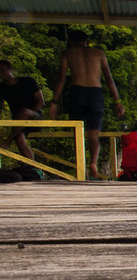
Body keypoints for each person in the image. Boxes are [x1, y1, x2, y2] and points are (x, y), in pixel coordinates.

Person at [49, 30, 125, 179]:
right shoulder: (99, 53)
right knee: (93, 135)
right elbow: (109, 79)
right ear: (86, 41)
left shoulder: (67, 54)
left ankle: (82, 167)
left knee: (78, 133)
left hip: (77, 92)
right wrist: (117, 101)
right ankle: (93, 162)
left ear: (71, 41)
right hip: (95, 93)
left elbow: (61, 79)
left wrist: (54, 102)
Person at [0, 59, 44, 161]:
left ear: (10, 69)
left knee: (24, 112)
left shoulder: (28, 81)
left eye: (3, 70)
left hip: (35, 117)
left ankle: (8, 141)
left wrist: (29, 113)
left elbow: (40, 101)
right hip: (18, 123)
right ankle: (31, 166)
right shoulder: (2, 88)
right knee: (19, 138)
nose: (1, 74)